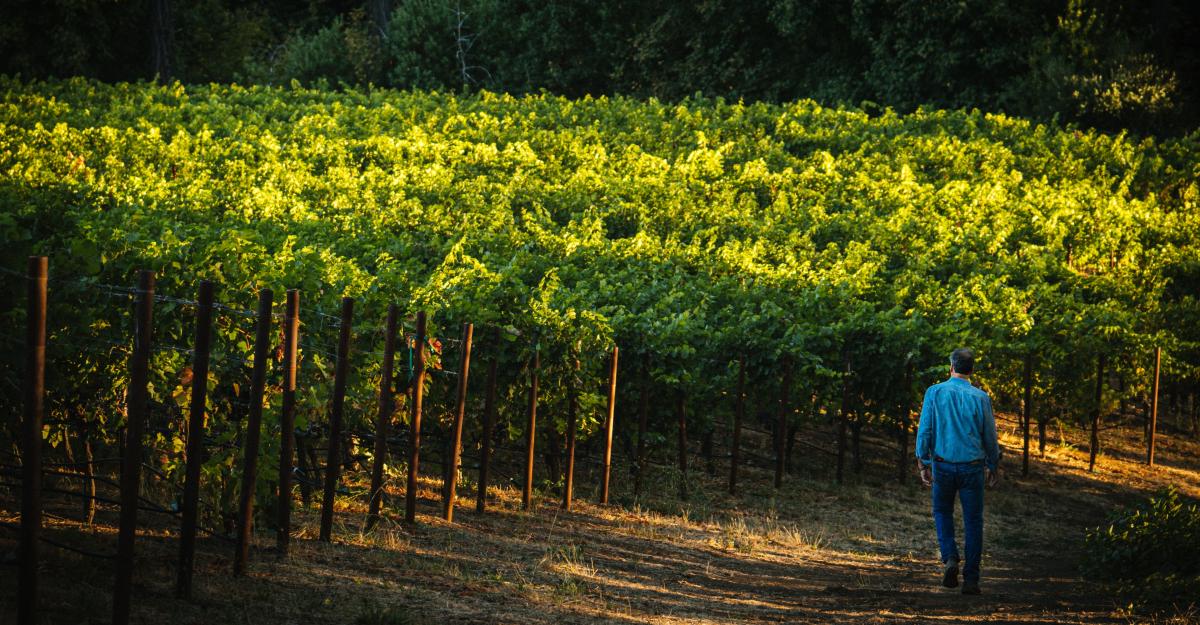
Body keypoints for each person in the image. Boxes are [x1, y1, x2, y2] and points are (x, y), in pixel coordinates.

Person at [915, 348, 1001, 595]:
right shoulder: (981, 397)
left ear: (950, 367)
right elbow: (989, 437)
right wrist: (993, 465)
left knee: (942, 512)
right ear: (971, 370)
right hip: (973, 467)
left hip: (942, 464)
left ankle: (950, 557)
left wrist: (923, 462)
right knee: (973, 521)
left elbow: (925, 430)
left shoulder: (934, 392)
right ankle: (971, 579)